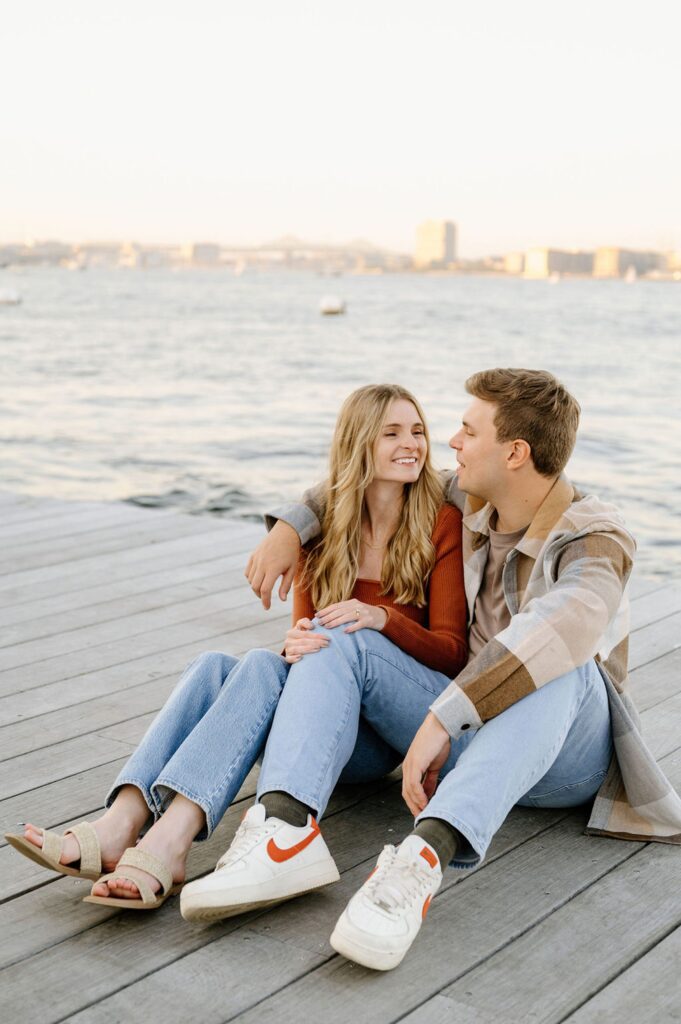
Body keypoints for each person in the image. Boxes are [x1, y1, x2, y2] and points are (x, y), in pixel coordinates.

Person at [245, 367, 681, 971]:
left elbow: (567, 625)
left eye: (467, 431)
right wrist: (290, 529)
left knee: (566, 663)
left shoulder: (596, 533)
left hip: (559, 761)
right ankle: (282, 832)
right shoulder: (468, 496)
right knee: (346, 629)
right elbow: (366, 475)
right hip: (458, 733)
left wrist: (447, 715)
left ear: (515, 452)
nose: (449, 442)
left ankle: (420, 864)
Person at [5, 383, 468, 913]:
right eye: (392, 433)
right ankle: (125, 820)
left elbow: (452, 651)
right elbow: (303, 645)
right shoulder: (320, 532)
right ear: (360, 442)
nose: (412, 444)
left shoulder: (440, 521)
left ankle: (167, 843)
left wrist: (380, 618)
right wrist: (294, 642)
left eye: (417, 431)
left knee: (273, 659)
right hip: (311, 725)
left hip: (377, 741)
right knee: (219, 666)